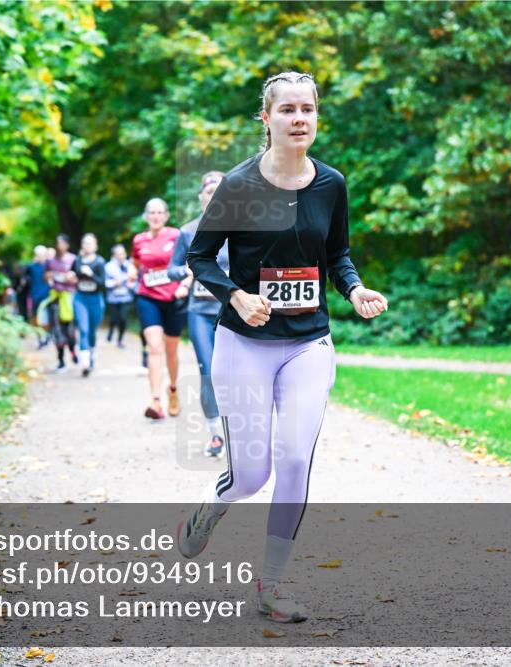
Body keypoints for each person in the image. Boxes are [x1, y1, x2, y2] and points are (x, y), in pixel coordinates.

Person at [178, 71, 388, 623]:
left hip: (307, 343)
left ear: (317, 117)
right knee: (251, 475)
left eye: (308, 110)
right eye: (288, 109)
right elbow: (199, 258)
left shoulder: (331, 184)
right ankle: (211, 506)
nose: (299, 119)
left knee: (295, 458)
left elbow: (337, 254)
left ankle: (272, 584)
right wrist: (237, 295)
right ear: (265, 119)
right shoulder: (240, 185)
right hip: (244, 342)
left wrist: (356, 288)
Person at [168, 171, 228, 457]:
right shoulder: (188, 231)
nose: (213, 196)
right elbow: (172, 269)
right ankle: (216, 433)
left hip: (234, 313)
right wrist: (188, 272)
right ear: (201, 197)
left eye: (219, 191)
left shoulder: (241, 230)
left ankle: (240, 429)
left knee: (237, 373)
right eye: (208, 192)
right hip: (200, 312)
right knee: (208, 371)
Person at [132, 197, 185, 419]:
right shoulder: (139, 240)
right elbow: (136, 264)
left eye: (159, 212)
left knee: (171, 350)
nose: (155, 216)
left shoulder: (176, 235)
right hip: (148, 297)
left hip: (174, 297)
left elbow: (190, 261)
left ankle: (172, 389)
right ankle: (155, 401)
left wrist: (184, 284)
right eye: (151, 213)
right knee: (155, 347)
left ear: (166, 216)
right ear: (146, 216)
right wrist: (132, 273)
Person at [73, 233, 107, 377]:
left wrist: (91, 274)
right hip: (80, 299)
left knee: (92, 331)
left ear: (95, 246)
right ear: (82, 245)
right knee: (83, 329)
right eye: (85, 243)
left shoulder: (99, 262)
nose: (87, 246)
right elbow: (72, 274)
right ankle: (85, 363)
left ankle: (91, 355)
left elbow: (102, 283)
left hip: (95, 300)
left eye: (90, 243)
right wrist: (71, 276)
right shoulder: (78, 260)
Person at [44, 234, 79, 373]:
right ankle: (61, 361)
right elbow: (45, 276)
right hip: (55, 298)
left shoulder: (73, 259)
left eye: (63, 243)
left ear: (67, 245)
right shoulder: (50, 261)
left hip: (69, 298)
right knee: (57, 331)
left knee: (70, 331)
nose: (60, 246)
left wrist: (70, 278)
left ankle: (72, 351)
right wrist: (50, 278)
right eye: (58, 243)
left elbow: (78, 278)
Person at [104, 244, 137, 348]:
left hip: (125, 297)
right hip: (113, 298)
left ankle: (120, 339)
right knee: (114, 318)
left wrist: (128, 282)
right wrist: (115, 282)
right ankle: (111, 329)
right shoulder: (108, 266)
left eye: (123, 253)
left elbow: (133, 281)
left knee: (123, 318)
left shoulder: (129, 265)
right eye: (118, 253)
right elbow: (105, 283)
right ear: (114, 255)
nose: (121, 255)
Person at [28, 245, 52, 348]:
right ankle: (39, 338)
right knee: (35, 319)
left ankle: (46, 336)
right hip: (35, 296)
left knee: (46, 318)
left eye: (42, 254)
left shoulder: (49, 266)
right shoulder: (31, 267)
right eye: (38, 255)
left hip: (47, 296)